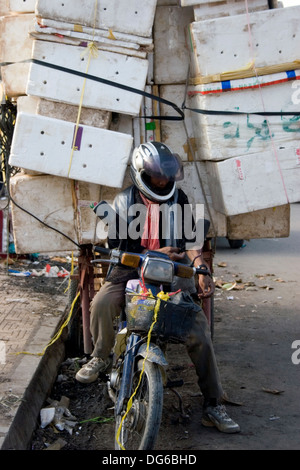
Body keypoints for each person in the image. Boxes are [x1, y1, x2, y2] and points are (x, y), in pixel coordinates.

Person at [76, 141, 240, 434]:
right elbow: (119, 245)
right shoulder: (125, 201)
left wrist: (201, 268)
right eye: (157, 177)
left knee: (198, 331)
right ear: (142, 175)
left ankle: (214, 403)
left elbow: (191, 243)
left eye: (166, 176)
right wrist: (152, 254)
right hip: (130, 272)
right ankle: (100, 357)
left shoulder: (180, 200)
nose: (162, 181)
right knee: (101, 303)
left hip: (173, 275)